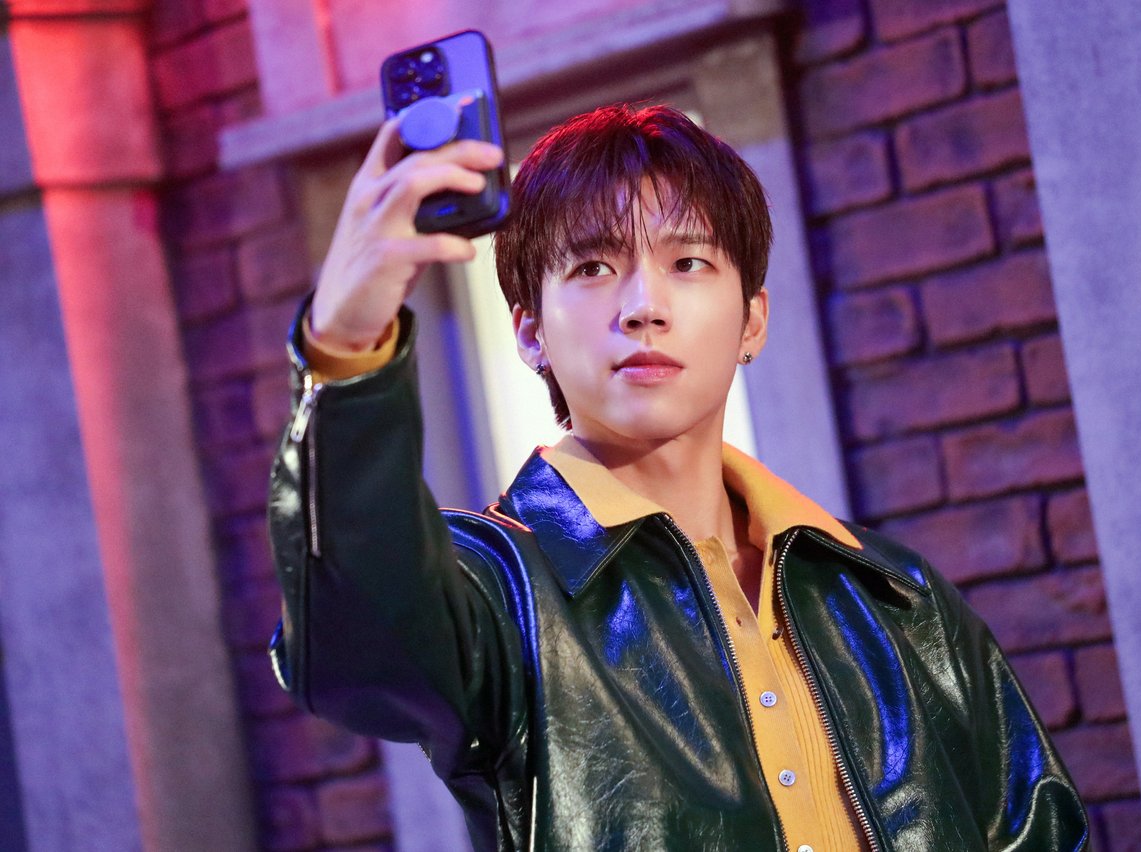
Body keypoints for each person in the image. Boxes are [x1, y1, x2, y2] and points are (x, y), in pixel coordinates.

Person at [268, 104, 1089, 851]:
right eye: (593, 268)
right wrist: (346, 349)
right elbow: (353, 644)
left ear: (752, 320)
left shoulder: (897, 598)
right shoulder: (492, 589)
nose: (643, 306)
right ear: (530, 333)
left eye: (688, 261)